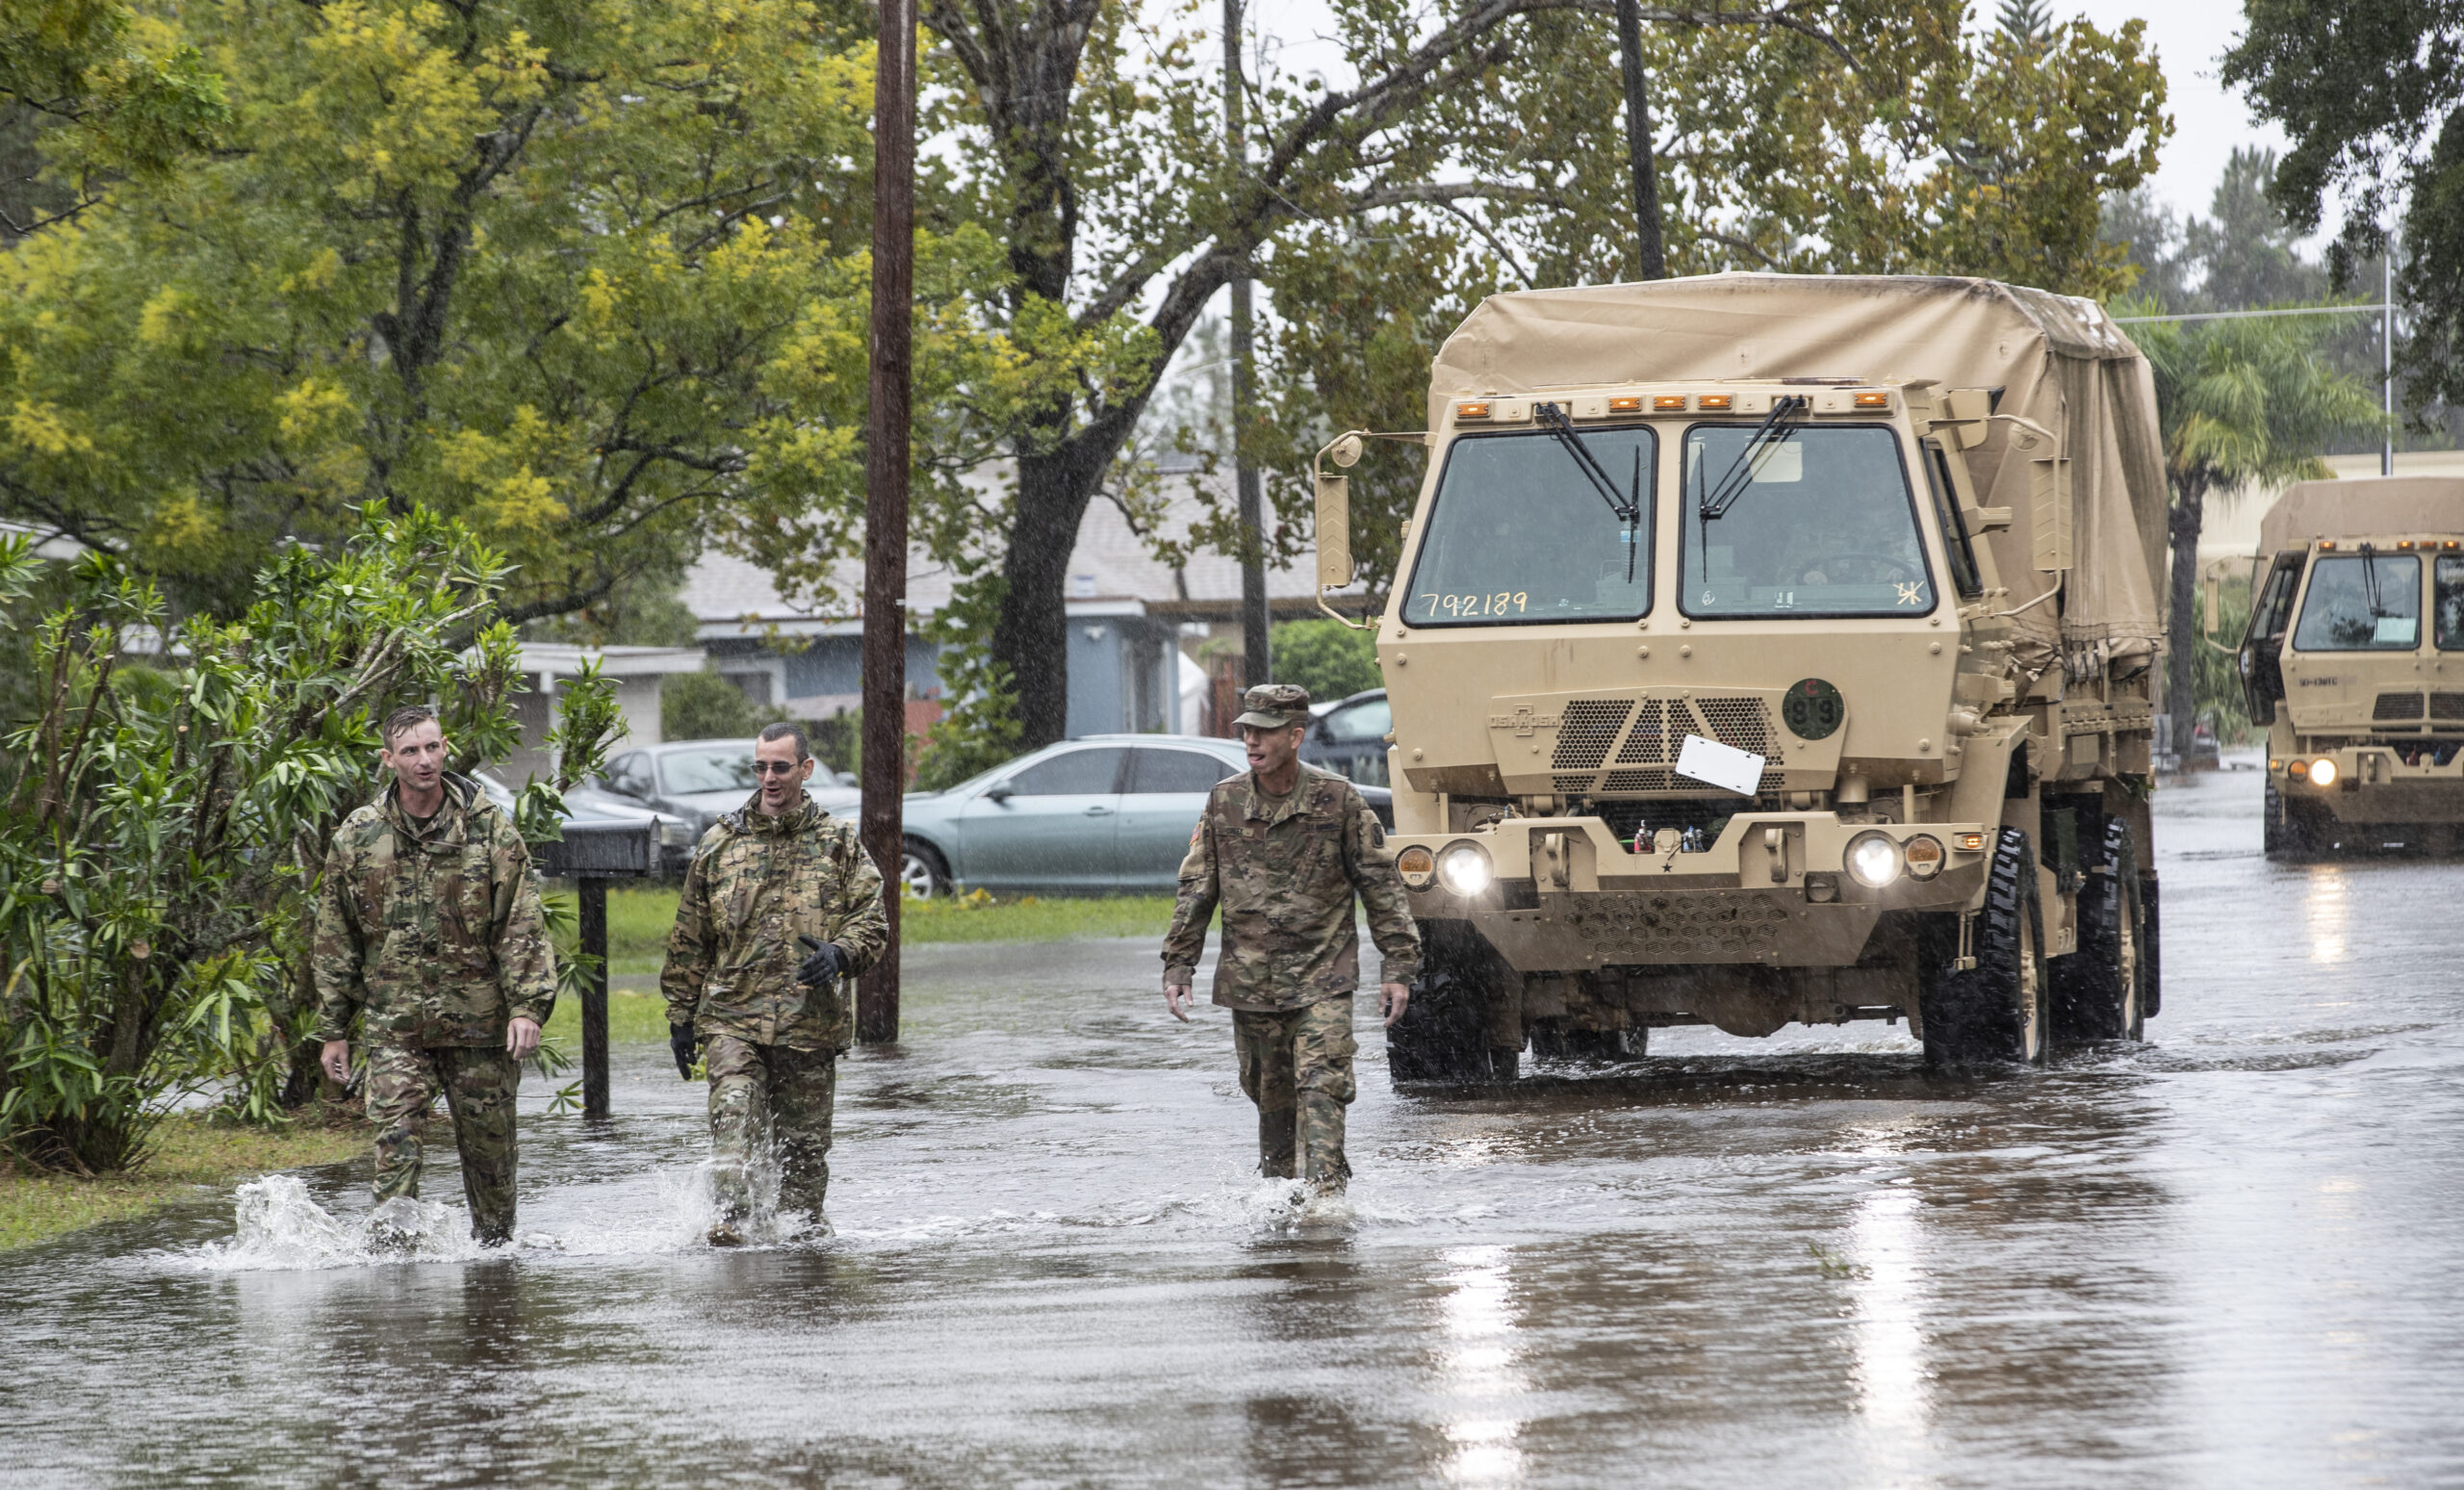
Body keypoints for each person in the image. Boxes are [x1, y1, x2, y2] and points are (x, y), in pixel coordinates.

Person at [1162, 683, 1422, 1195]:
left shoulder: (1340, 801)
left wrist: (1399, 968)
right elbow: (1198, 886)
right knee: (1271, 1101)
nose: (1251, 740)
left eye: (1264, 731)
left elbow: (1381, 887)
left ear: (1296, 736)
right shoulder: (1224, 801)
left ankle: (1328, 1198)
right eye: (1246, 731)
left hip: (1324, 977)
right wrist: (1178, 963)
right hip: (1251, 983)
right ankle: (1280, 1206)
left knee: (1322, 1086)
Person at [314, 705, 554, 1246]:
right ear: (388, 759)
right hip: (397, 1026)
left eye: (432, 748)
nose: (424, 761)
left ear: (445, 748)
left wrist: (526, 1006)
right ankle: (392, 1263)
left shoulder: (488, 827)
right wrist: (333, 1028)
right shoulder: (359, 835)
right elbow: (335, 934)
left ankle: (497, 1264)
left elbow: (521, 921)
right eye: (410, 751)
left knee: (491, 1160)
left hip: (479, 1023)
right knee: (396, 1142)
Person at [661, 721, 887, 1245]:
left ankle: (801, 1270)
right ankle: (730, 1232)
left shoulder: (837, 843)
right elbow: (690, 938)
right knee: (733, 1128)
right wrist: (679, 1016)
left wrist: (839, 953)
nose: (768, 777)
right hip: (732, 1021)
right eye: (760, 766)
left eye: (780, 767)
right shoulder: (720, 845)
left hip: (808, 1026)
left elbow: (872, 921)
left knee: (803, 1164)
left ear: (805, 770)